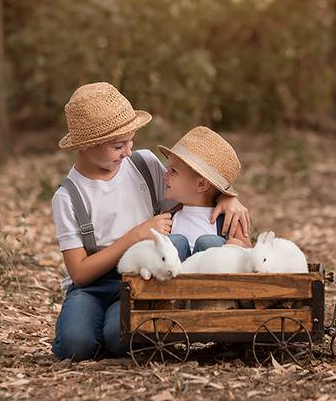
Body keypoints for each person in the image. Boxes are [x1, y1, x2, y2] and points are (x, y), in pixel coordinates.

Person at [51, 82, 250, 361]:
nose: (129, 151)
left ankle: (113, 336)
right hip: (93, 286)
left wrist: (227, 198)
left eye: (131, 141)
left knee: (123, 339)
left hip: (139, 278)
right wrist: (133, 236)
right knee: (76, 345)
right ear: (86, 146)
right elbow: (80, 273)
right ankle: (86, 329)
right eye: (119, 146)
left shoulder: (142, 165)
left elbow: (192, 195)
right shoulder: (68, 196)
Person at [160, 126, 252, 255]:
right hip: (177, 272)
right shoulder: (167, 219)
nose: (165, 175)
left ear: (202, 184)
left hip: (210, 272)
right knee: (175, 243)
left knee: (209, 243)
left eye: (173, 171)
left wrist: (239, 247)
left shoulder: (229, 220)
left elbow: (252, 259)